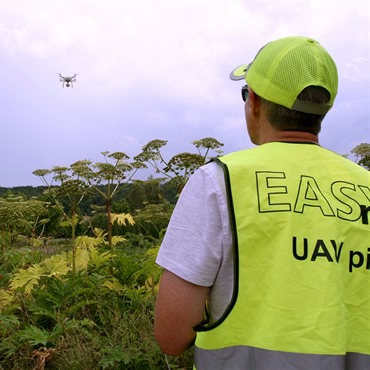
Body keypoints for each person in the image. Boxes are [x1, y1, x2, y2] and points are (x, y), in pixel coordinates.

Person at [153, 36, 370, 369]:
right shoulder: (366, 186)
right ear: (324, 108)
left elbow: (172, 335)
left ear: (253, 102)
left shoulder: (218, 182)